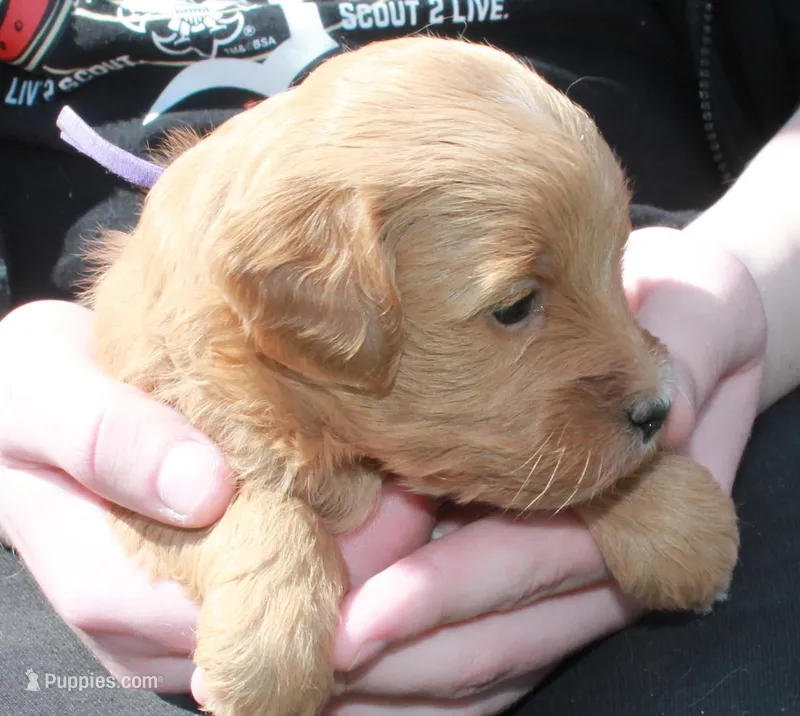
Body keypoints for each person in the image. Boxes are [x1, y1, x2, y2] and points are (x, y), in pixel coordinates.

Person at [0, 1, 797, 714]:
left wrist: (752, 280)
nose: (643, 380)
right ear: (318, 305)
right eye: (516, 306)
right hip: (72, 546)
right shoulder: (279, 281)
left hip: (749, 361)